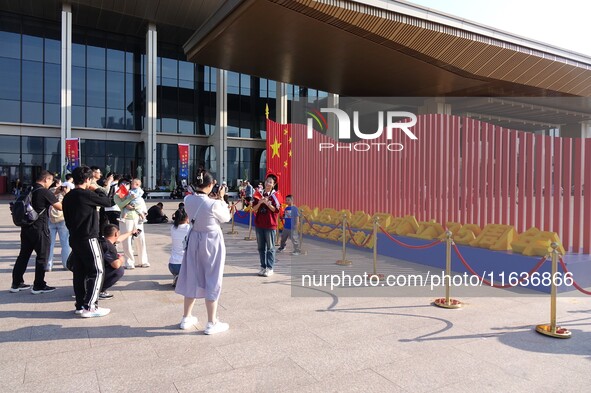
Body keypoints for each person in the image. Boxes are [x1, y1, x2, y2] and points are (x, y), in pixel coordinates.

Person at [175, 170, 231, 334]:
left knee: (191, 274)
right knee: (213, 277)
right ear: (211, 184)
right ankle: (212, 322)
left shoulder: (187, 199)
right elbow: (226, 218)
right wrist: (221, 198)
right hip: (211, 241)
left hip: (194, 240)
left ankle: (186, 317)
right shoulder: (215, 203)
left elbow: (199, 203)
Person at [62, 165, 112, 317]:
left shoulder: (68, 196)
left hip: (75, 238)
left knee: (79, 272)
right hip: (88, 237)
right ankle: (90, 306)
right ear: (87, 179)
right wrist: (95, 189)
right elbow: (107, 201)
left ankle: (80, 305)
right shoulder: (85, 194)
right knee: (97, 270)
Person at [10, 170, 62, 294]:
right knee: (42, 257)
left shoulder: (29, 189)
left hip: (26, 227)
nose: (51, 183)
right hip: (40, 229)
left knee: (23, 256)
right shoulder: (44, 191)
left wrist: (54, 192)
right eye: (50, 180)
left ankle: (16, 283)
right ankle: (39, 285)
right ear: (46, 179)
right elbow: (60, 207)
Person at [115, 178, 149, 269]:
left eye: (127, 184)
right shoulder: (118, 195)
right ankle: (129, 262)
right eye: (123, 184)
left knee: (140, 239)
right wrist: (128, 201)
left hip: (137, 219)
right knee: (127, 241)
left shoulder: (134, 192)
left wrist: (141, 211)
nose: (125, 186)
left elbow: (141, 203)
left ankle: (143, 261)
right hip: (126, 220)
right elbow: (121, 205)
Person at [252, 174, 280, 277]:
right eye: (267, 181)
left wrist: (268, 204)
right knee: (260, 247)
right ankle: (263, 267)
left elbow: (276, 210)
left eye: (270, 182)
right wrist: (260, 203)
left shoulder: (275, 195)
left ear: (273, 184)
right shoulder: (258, 194)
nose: (268, 183)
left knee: (270, 247)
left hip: (270, 224)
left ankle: (270, 268)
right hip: (259, 224)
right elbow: (253, 209)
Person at [98, 224, 136, 299]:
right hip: (95, 272)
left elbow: (118, 239)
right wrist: (121, 259)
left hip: (86, 271)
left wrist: (131, 232)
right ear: (116, 234)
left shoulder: (101, 240)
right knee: (119, 270)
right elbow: (116, 265)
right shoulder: (109, 247)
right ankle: (99, 291)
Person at [47, 177, 71, 271]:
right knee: (65, 243)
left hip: (50, 219)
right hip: (62, 219)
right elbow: (69, 202)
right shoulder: (64, 193)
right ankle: (66, 264)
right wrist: (66, 192)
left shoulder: (48, 192)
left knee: (50, 243)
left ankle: (48, 265)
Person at [169, 208, 190, 288]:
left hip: (173, 265)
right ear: (187, 217)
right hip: (185, 264)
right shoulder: (189, 228)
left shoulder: (173, 228)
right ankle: (184, 278)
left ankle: (178, 276)